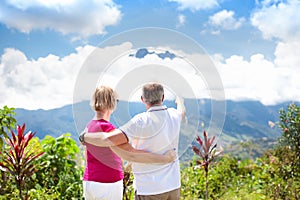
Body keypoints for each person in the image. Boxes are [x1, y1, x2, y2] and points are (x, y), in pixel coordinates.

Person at [81, 82, 185, 200]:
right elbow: (182, 112)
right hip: (172, 185)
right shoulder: (174, 114)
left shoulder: (90, 126)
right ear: (163, 97)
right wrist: (180, 102)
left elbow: (90, 154)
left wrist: (84, 137)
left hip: (93, 181)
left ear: (142, 99)